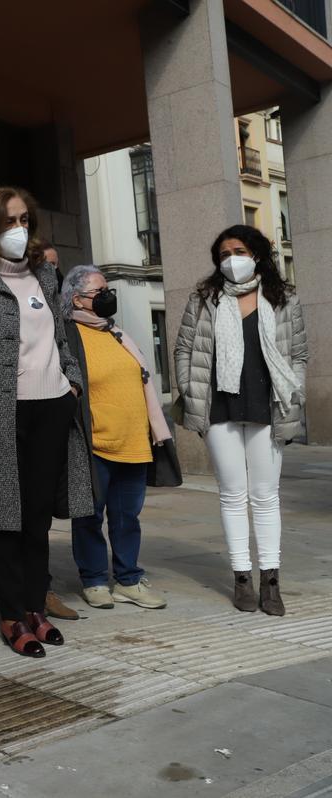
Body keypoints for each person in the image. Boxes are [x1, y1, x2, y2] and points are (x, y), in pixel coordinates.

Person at [0, 187, 93, 658]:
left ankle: (36, 606)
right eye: (9, 222)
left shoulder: (46, 275)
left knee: (36, 517)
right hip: (0, 413)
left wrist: (71, 383)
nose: (19, 230)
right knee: (5, 519)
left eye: (24, 221)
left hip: (51, 405)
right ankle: (13, 615)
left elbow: (62, 337)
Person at [174, 224, 307, 616]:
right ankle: (242, 578)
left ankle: (271, 580)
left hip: (270, 405)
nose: (231, 259)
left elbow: (299, 354)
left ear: (257, 255)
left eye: (239, 251)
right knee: (232, 495)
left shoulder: (284, 299)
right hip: (220, 408)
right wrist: (190, 387)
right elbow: (184, 347)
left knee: (265, 496)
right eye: (224, 253)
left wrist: (293, 387)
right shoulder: (205, 298)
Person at [61, 266, 171, 610]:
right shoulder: (68, 334)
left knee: (128, 518)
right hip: (95, 444)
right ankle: (94, 581)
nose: (108, 296)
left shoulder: (117, 333)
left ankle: (129, 580)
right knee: (89, 516)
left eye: (108, 289)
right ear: (77, 299)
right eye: (99, 291)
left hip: (133, 442)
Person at [38, 242, 79, 621]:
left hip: (57, 407)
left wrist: (73, 388)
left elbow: (65, 347)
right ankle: (29, 596)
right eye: (45, 264)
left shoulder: (58, 305)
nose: (51, 272)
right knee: (23, 512)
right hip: (20, 408)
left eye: (56, 265)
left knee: (46, 511)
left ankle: (42, 590)